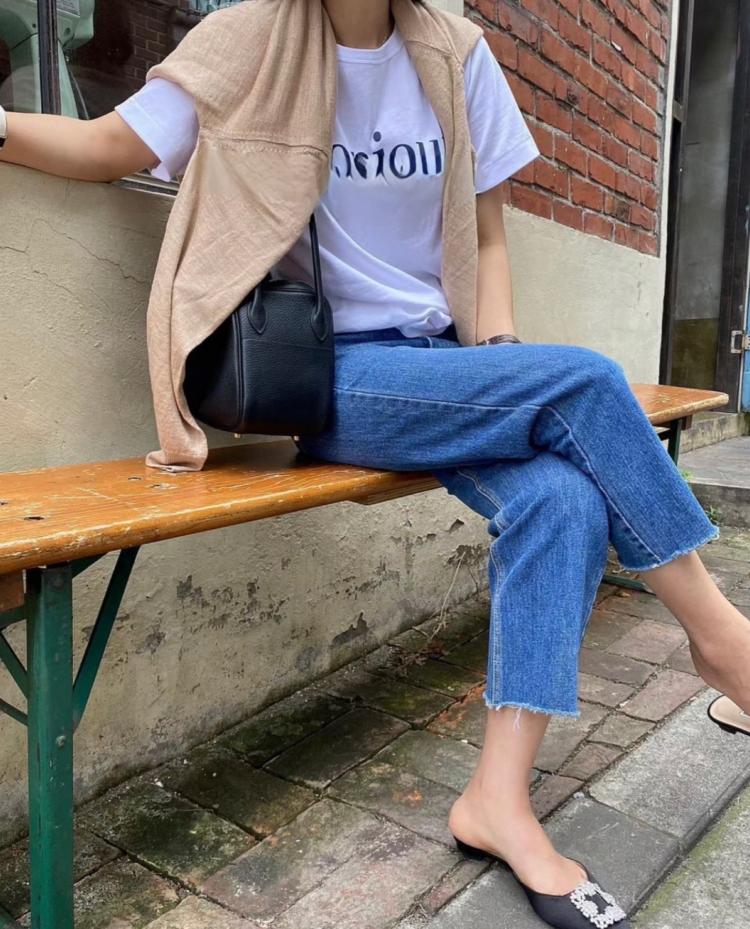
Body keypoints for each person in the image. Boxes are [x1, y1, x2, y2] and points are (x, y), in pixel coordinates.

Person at [2, 2, 749, 927]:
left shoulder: (457, 53)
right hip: (327, 376)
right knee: (588, 382)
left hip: (446, 368)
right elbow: (110, 144)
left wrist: (497, 367)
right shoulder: (247, 40)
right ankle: (723, 641)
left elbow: (485, 235)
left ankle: (497, 801)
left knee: (563, 499)